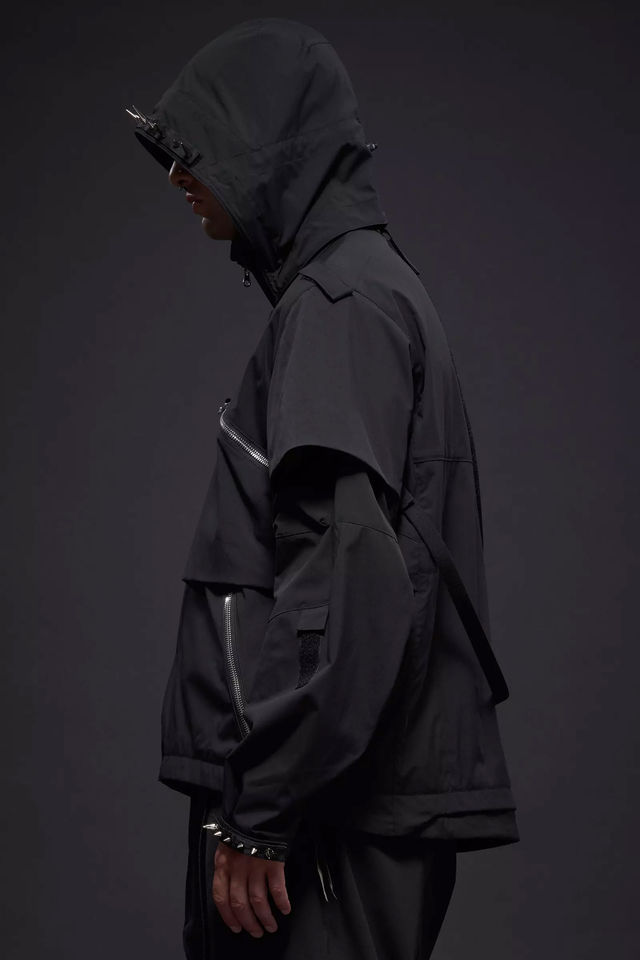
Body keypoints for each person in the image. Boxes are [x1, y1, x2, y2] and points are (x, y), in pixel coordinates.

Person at [127, 16, 520, 958]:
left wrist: (261, 809)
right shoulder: (360, 292)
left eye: (197, 149)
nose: (178, 177)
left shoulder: (340, 306)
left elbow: (347, 580)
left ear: (269, 147)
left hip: (321, 822)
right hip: (326, 809)